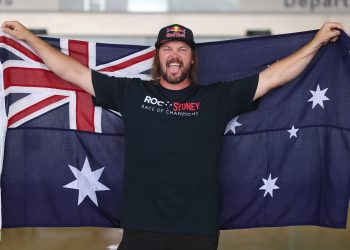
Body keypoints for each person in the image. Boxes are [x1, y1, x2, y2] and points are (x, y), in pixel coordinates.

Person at [1, 21, 344, 250]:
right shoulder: (132, 94)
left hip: (198, 229)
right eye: (168, 49)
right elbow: (72, 72)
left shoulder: (216, 99)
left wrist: (316, 42)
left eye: (182, 49)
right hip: (141, 226)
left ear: (192, 57)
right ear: (158, 56)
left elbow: (274, 77)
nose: (174, 55)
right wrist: (28, 38)